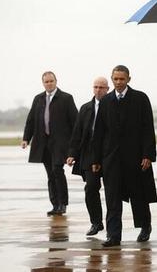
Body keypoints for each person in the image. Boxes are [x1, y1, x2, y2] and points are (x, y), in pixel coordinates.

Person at [92, 65, 157, 247]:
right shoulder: (106, 101)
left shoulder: (140, 98)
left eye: (122, 79)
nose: (119, 82)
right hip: (111, 158)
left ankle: (145, 226)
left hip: (135, 157)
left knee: (138, 195)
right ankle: (113, 235)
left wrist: (147, 155)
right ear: (112, 79)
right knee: (112, 196)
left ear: (129, 79)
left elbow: (147, 129)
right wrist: (96, 159)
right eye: (116, 79)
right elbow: (99, 132)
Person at [22, 71, 77, 216]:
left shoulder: (66, 98)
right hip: (43, 143)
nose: (49, 84)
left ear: (56, 81)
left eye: (51, 81)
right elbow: (31, 120)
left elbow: (75, 122)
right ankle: (55, 204)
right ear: (43, 83)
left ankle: (63, 204)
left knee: (58, 171)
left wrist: (74, 145)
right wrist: (26, 138)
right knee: (50, 175)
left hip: (60, 143)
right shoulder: (38, 99)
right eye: (46, 82)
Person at [66, 77, 109, 236]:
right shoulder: (85, 108)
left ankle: (113, 227)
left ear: (107, 89)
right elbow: (77, 133)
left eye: (102, 87)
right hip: (90, 154)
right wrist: (72, 154)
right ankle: (96, 222)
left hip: (108, 154)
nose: (98, 90)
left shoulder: (112, 106)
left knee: (111, 192)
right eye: (96, 87)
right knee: (91, 188)